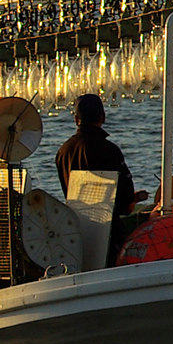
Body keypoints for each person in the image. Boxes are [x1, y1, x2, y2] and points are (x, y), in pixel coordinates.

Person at [54, 94, 140, 259]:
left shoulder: (63, 152)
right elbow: (127, 203)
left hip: (76, 232)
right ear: (103, 117)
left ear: (76, 119)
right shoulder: (109, 150)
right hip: (109, 236)